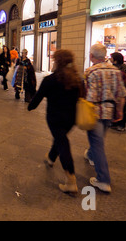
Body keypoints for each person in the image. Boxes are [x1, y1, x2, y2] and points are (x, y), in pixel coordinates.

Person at [28, 50, 81, 195]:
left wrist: (30, 107)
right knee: (60, 138)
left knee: (63, 143)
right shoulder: (76, 79)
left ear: (57, 62)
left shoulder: (50, 80)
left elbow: (38, 97)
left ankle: (71, 181)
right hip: (71, 118)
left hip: (55, 118)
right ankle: (51, 158)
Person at [84, 44, 126, 193]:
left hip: (95, 111)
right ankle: (90, 155)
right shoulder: (115, 71)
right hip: (109, 111)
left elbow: (88, 96)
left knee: (97, 144)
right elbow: (122, 94)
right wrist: (120, 112)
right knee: (98, 140)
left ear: (92, 56)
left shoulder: (90, 72)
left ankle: (103, 180)